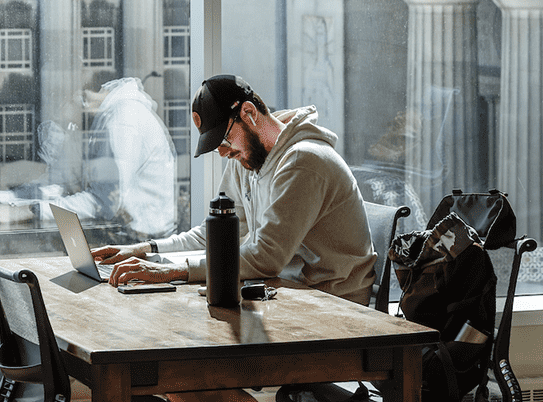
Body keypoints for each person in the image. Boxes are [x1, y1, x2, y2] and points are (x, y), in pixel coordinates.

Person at [92, 74, 375, 304]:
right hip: (288, 293)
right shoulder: (247, 160)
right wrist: (147, 249)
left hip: (333, 305)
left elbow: (266, 257)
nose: (224, 153)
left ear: (249, 113)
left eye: (224, 140)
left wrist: (171, 271)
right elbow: (213, 236)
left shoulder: (304, 161)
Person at [0, 77, 177, 239]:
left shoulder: (124, 121)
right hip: (120, 239)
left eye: (68, 127)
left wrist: (22, 212)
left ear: (83, 99)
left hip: (142, 247)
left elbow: (103, 203)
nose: (67, 134)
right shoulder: (107, 118)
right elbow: (58, 186)